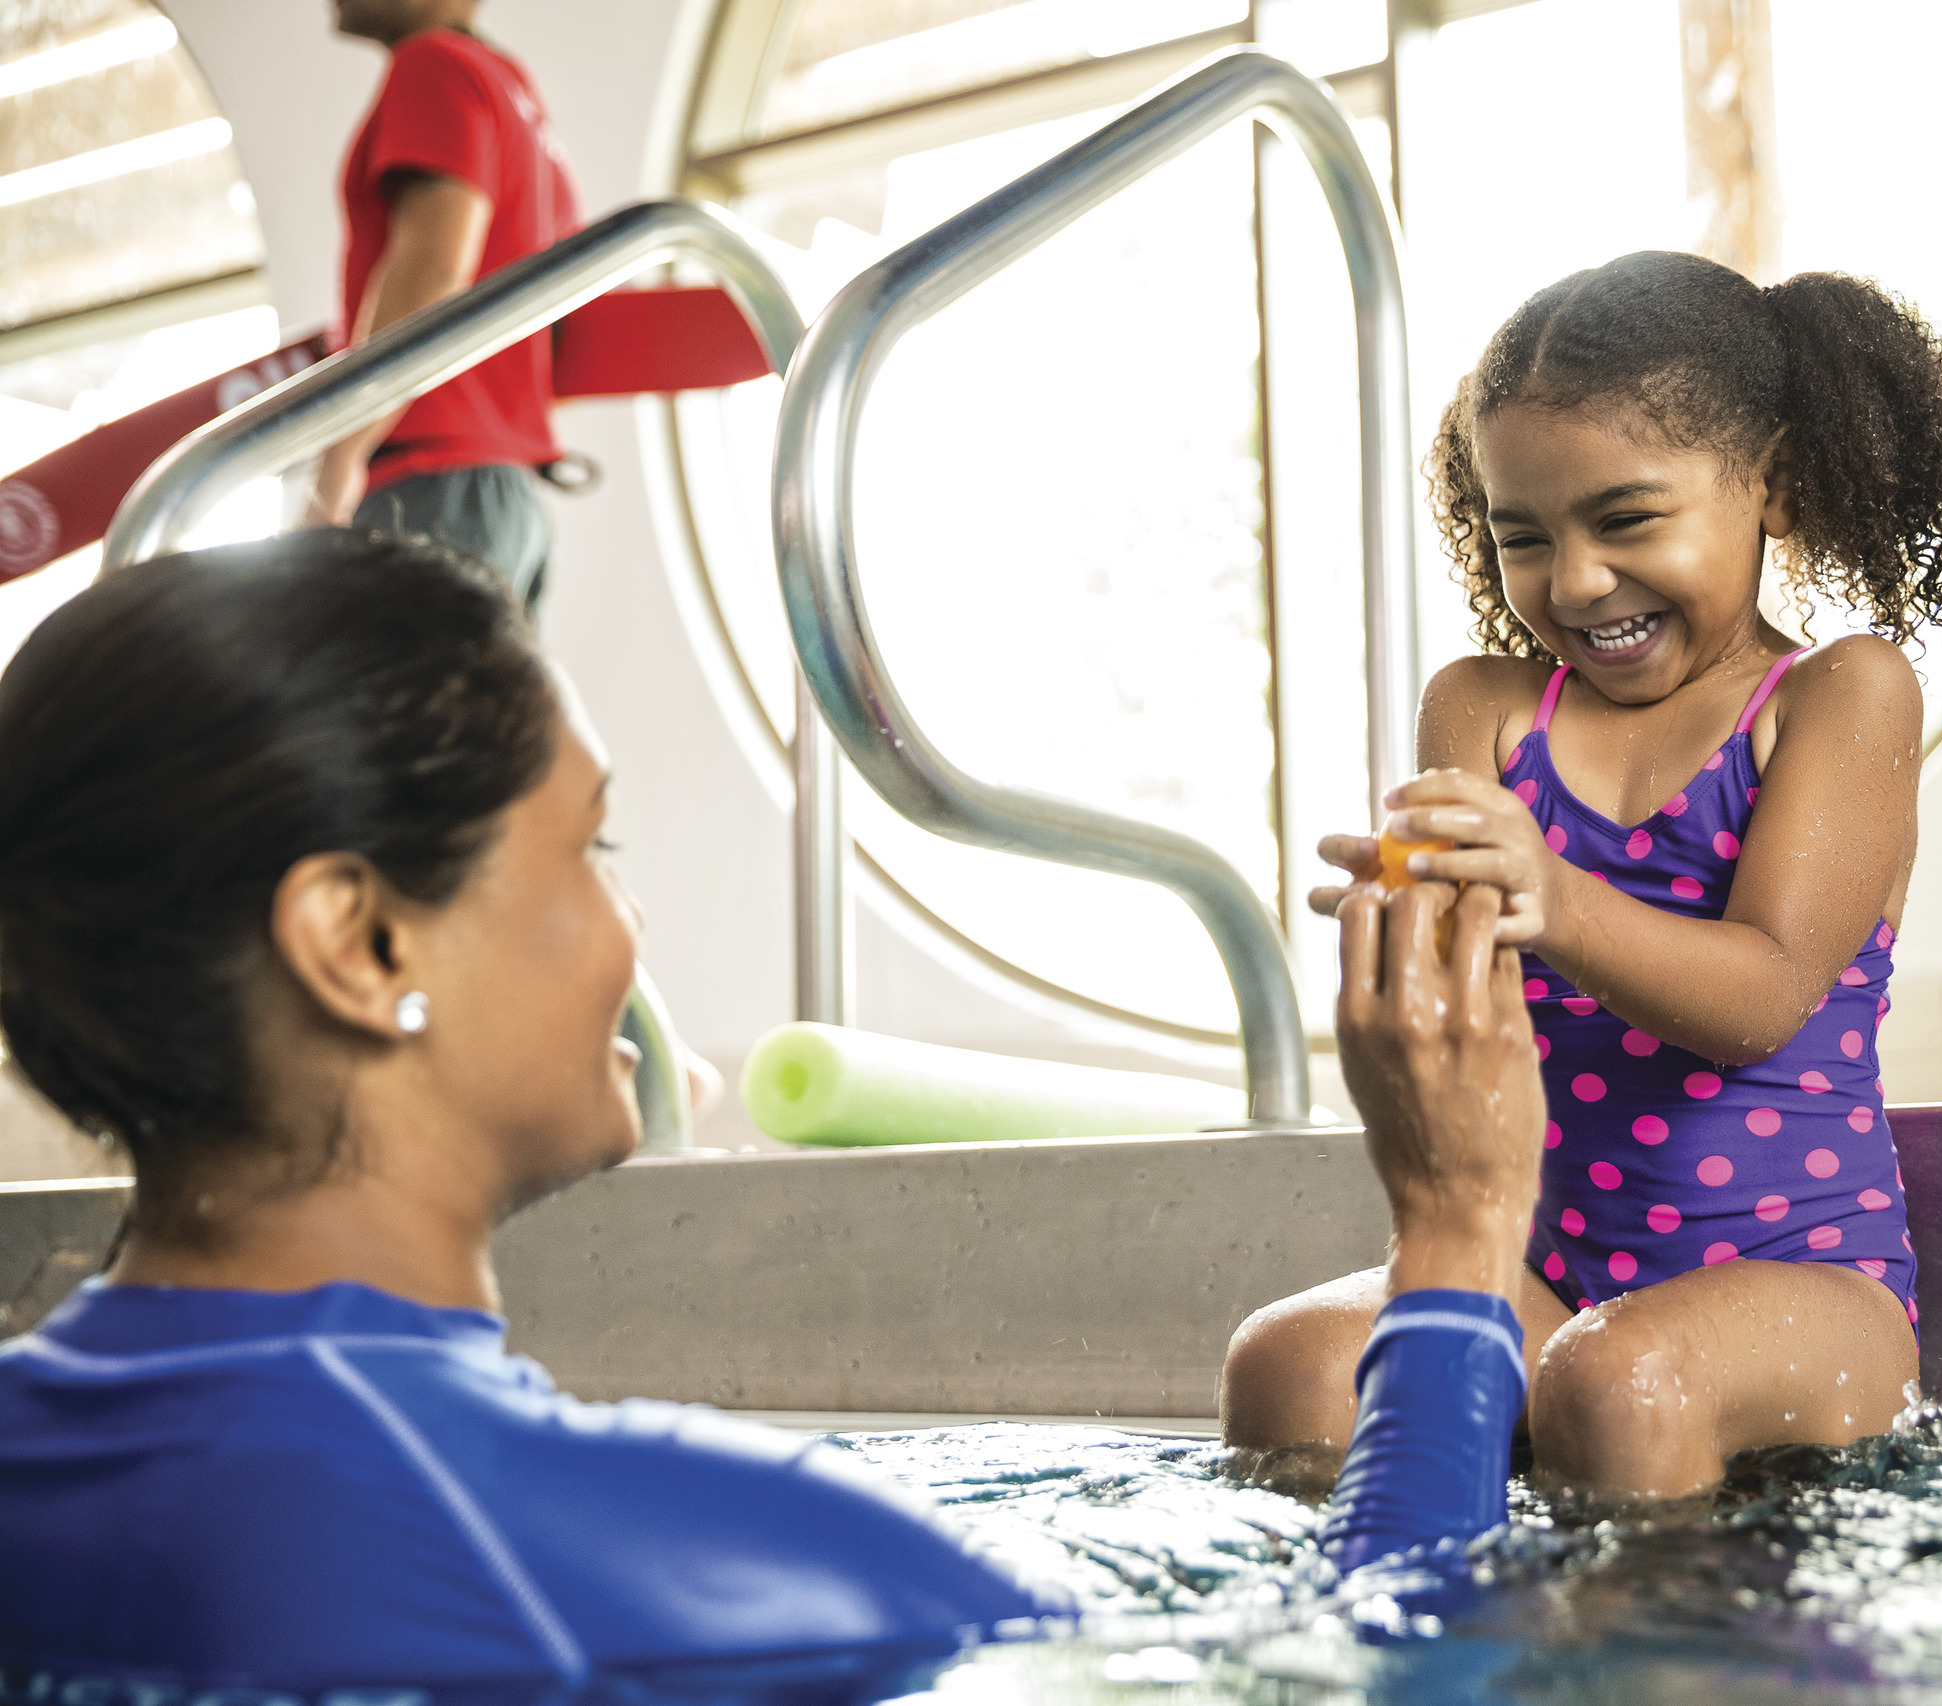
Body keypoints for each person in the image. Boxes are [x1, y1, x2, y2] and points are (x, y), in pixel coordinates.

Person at [0, 533, 1541, 1692]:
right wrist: (1457, 1226)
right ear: (361, 939)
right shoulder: (645, 1548)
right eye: (586, 848)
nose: (629, 929)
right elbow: (1355, 1679)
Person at [1222, 251, 1942, 1499]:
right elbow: (1461, 1020)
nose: (1574, 582)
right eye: (1521, 535)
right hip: (1549, 1274)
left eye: (1627, 520)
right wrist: (1405, 933)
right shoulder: (1484, 709)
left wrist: (1559, 898)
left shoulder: (1840, 696)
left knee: (1617, 1378)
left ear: (1776, 486)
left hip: (1809, 1284)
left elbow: (1765, 992)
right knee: (1293, 1365)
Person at [303, 0, 577, 610]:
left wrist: (336, 470)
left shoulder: (433, 65)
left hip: (431, 485)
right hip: (504, 492)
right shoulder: (511, 86)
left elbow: (431, 270)